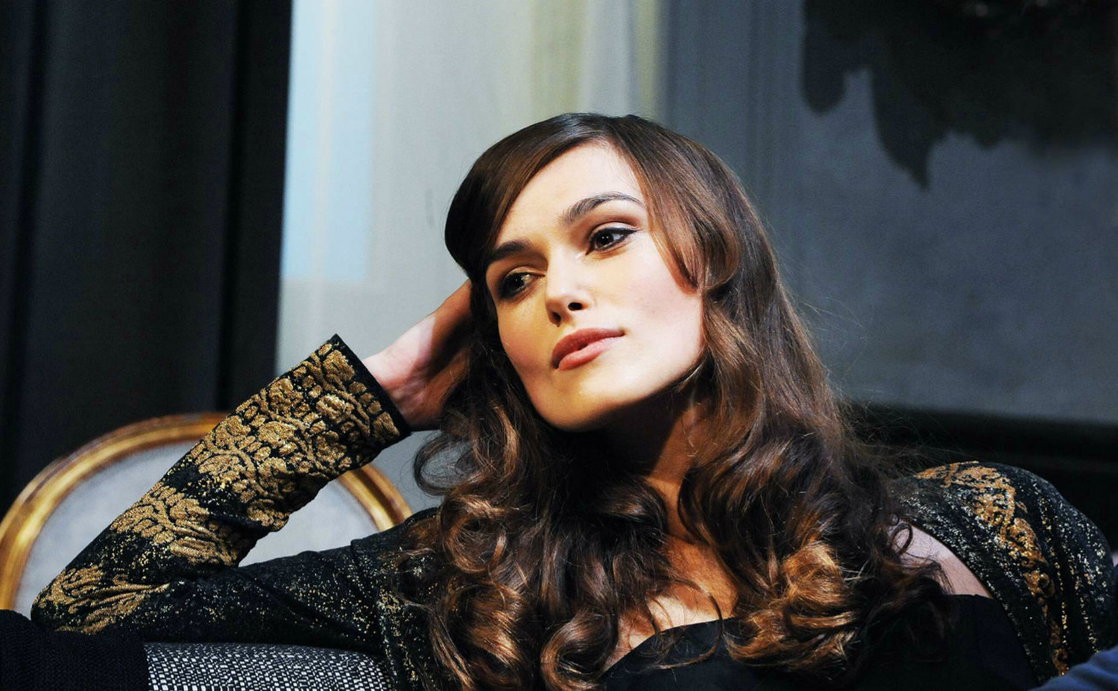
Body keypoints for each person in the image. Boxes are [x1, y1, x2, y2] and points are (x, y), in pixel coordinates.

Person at [30, 114, 1115, 689]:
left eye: (605, 235)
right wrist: (365, 397)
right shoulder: (467, 588)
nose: (558, 291)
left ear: (712, 254)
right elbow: (82, 628)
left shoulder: (999, 516)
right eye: (512, 281)